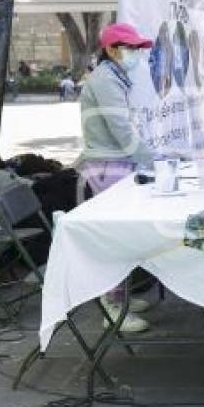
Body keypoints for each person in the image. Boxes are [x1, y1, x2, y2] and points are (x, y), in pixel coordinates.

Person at [77, 22, 156, 333]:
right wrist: (156, 160)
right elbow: (120, 129)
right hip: (107, 166)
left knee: (124, 237)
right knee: (115, 239)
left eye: (138, 48)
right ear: (111, 49)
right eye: (131, 47)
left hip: (117, 163)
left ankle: (119, 295)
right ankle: (112, 303)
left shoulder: (116, 76)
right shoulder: (106, 80)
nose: (136, 53)